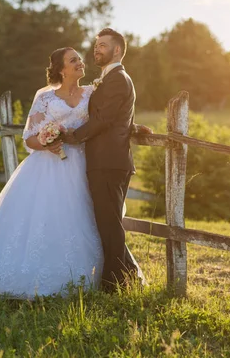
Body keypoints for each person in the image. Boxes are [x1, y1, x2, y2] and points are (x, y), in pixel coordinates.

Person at [0, 47, 104, 299]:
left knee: (83, 215)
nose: (80, 62)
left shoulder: (92, 93)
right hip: (47, 166)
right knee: (44, 217)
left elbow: (107, 119)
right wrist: (47, 142)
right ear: (60, 69)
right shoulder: (45, 98)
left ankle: (87, 276)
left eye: (79, 58)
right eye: (73, 60)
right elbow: (29, 138)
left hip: (82, 163)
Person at [62, 28, 152, 292]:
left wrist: (73, 136)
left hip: (109, 162)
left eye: (102, 45)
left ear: (117, 50)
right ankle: (130, 279)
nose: (96, 49)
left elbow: (104, 119)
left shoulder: (117, 79)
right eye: (96, 45)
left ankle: (113, 286)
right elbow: (117, 116)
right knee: (108, 222)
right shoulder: (109, 79)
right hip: (106, 160)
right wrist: (134, 128)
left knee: (109, 225)